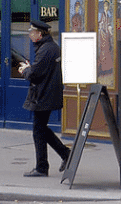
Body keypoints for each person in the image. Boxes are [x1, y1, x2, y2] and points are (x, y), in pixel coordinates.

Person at [18, 19, 71, 177]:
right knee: (41, 129)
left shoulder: (46, 49)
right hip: (47, 93)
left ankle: (42, 167)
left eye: (31, 32)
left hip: (43, 95)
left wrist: (25, 70)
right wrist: (31, 68)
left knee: (38, 130)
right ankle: (65, 154)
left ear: (39, 34)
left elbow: (36, 74)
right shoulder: (50, 47)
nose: (29, 34)